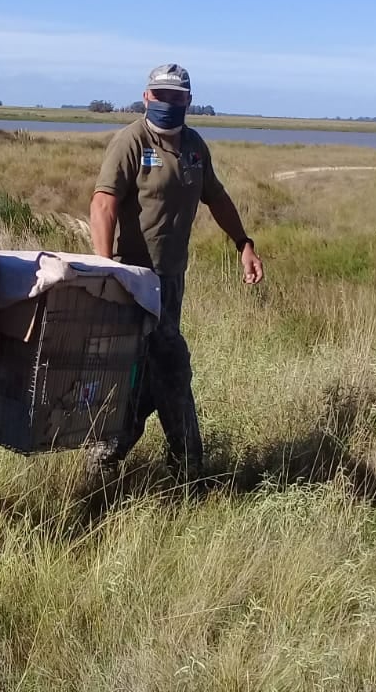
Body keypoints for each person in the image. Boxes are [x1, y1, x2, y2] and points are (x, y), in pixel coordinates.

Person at [88, 63, 264, 481]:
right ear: (147, 96)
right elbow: (103, 204)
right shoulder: (130, 141)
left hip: (170, 282)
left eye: (176, 97)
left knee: (151, 371)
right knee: (167, 364)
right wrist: (105, 265)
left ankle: (113, 456)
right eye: (160, 95)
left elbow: (216, 197)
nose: (168, 103)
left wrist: (244, 243)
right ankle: (184, 464)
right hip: (132, 282)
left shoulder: (194, 146)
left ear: (188, 99)